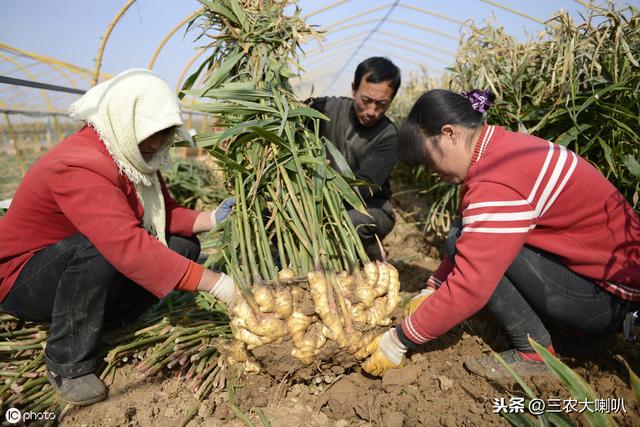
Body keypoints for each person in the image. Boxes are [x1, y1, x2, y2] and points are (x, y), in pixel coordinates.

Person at [361, 88, 640, 379]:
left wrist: (398, 340)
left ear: (449, 133)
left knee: (474, 257)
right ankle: (576, 335)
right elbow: (472, 233)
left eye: (429, 160)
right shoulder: (500, 149)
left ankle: (535, 355)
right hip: (604, 285)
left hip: (610, 300)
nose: (431, 171)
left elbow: (472, 285)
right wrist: (432, 288)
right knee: (464, 236)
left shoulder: (498, 180)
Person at [0, 69, 237, 406]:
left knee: (183, 246)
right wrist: (218, 284)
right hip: (23, 277)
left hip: (72, 267)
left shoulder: (130, 156)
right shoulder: (78, 164)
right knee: (100, 248)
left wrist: (211, 218)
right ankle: (66, 362)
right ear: (125, 124)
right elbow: (123, 244)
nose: (157, 146)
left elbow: (163, 214)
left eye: (163, 136)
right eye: (150, 136)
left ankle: (103, 318)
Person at [309, 57, 401, 258]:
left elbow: (365, 186)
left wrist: (322, 191)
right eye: (366, 100)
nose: (371, 111)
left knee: (352, 221)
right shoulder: (326, 109)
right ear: (353, 90)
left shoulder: (389, 136)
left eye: (381, 104)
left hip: (369, 208)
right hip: (317, 200)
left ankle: (370, 256)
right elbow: (291, 114)